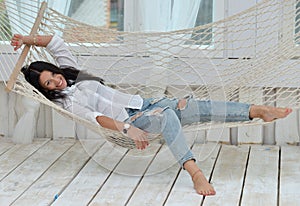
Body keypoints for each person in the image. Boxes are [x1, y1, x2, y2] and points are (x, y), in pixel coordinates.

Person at [11, 33, 292, 196]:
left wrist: (28, 39)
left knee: (197, 107)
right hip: (131, 121)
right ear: (46, 91)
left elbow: (57, 43)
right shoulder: (68, 102)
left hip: (145, 102)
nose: (56, 81)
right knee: (169, 116)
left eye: (53, 75)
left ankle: (257, 111)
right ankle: (194, 171)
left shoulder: (71, 74)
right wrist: (126, 129)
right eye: (48, 83)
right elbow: (96, 119)